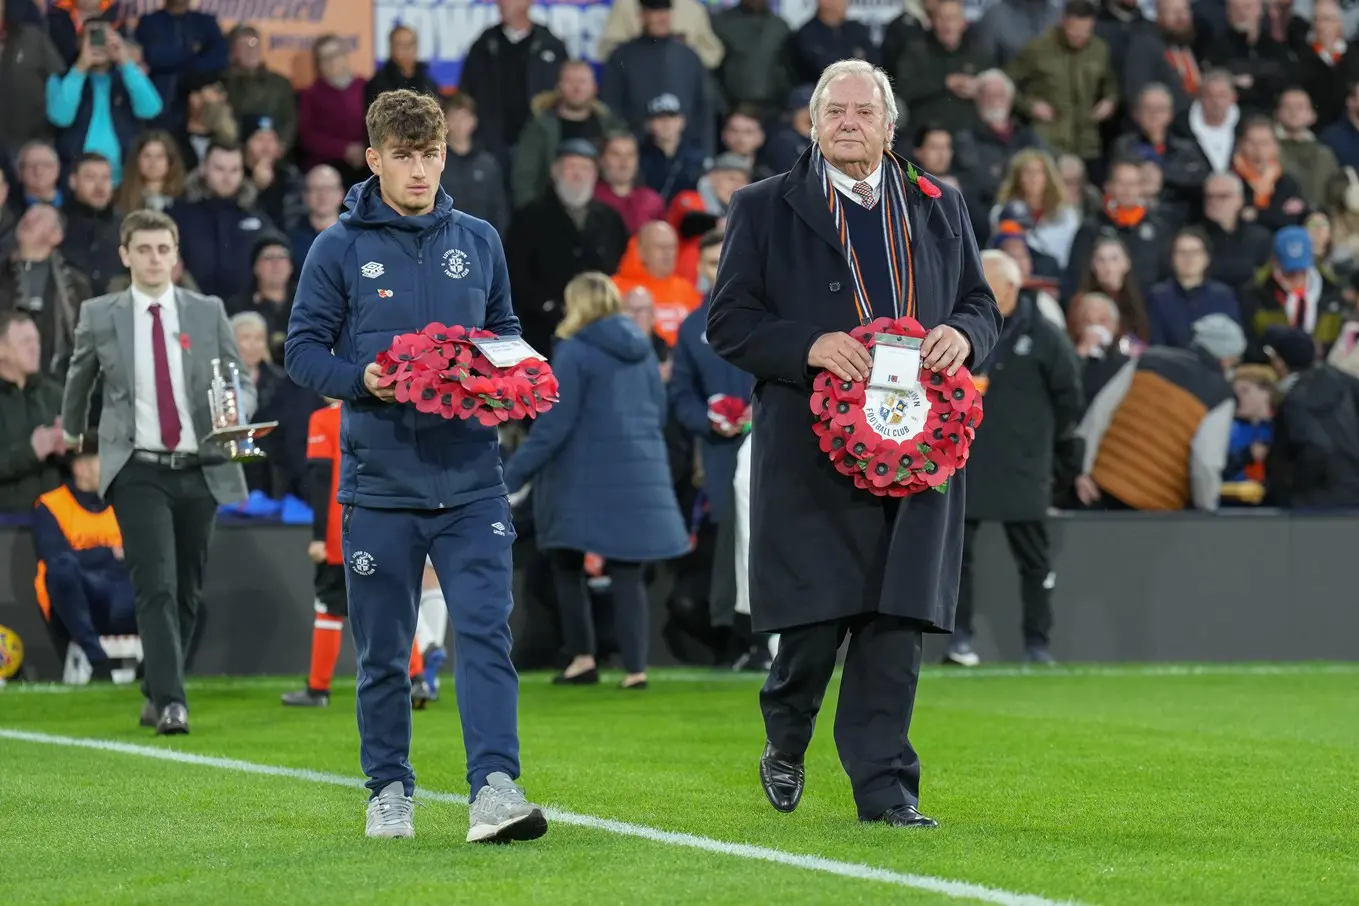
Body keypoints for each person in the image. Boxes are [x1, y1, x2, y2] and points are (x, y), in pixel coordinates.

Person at [706, 59, 1002, 828]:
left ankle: (885, 790)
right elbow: (727, 323)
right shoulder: (764, 207)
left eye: (862, 112)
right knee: (812, 619)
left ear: (888, 125)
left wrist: (960, 336)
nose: (848, 123)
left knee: (893, 621)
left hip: (919, 443)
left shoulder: (939, 204)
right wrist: (809, 345)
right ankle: (786, 732)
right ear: (811, 123)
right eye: (833, 111)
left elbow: (981, 306)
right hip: (813, 446)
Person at [284, 88, 546, 844]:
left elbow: (504, 331)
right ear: (373, 159)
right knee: (383, 656)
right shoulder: (337, 247)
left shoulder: (480, 240)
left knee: (487, 636)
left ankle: (494, 788)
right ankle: (389, 790)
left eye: (430, 154)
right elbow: (302, 350)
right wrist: (359, 379)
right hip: (380, 483)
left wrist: (516, 375)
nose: (420, 169)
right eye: (403, 155)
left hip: (471, 480)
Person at [61, 209, 255, 735]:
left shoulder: (207, 311)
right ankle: (171, 702)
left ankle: (154, 679)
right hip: (137, 467)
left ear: (175, 254)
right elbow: (80, 377)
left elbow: (238, 376)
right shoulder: (100, 314)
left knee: (187, 587)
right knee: (157, 587)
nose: (153, 259)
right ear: (125, 255)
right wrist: (72, 431)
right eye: (143, 249)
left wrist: (237, 407)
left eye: (162, 249)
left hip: (202, 466)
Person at [503, 272, 690, 690]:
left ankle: (582, 659)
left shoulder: (575, 352)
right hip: (639, 471)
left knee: (566, 564)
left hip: (580, 477)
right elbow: (659, 413)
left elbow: (553, 427)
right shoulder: (643, 350)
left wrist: (511, 475)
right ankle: (636, 670)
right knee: (627, 570)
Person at [949, 251, 1084, 668]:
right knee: (957, 557)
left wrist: (1042, 441)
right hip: (965, 458)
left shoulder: (1045, 336)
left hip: (1025, 462)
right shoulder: (957, 330)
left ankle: (1038, 643)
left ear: (1009, 288)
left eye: (986, 281)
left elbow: (1070, 398)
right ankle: (960, 641)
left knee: (1035, 560)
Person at [281, 398, 433, 708]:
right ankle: (416, 679)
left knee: (328, 607)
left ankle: (317, 689)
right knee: (394, 605)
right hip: (388, 527)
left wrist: (319, 538)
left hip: (343, 532)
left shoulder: (325, 420)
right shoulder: (390, 414)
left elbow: (322, 481)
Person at [1074, 314, 1241, 511]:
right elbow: (1205, 463)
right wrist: (1206, 509)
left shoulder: (1148, 358)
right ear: (1228, 359)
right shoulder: (1220, 395)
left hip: (1100, 487)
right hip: (1156, 508)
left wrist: (1081, 471)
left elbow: (1099, 414)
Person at [32, 441, 136, 681]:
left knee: (174, 581)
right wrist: (109, 553)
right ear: (80, 467)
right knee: (63, 570)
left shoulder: (125, 501)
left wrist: (89, 557)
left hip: (121, 596)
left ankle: (156, 667)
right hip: (79, 602)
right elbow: (56, 558)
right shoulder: (51, 505)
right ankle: (97, 661)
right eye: (103, 458)